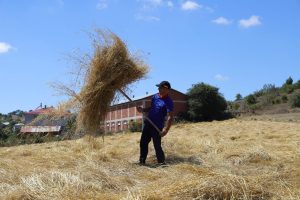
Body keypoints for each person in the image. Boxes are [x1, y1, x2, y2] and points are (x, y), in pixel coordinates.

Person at [137, 81, 174, 165]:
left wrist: (166, 130)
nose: (160, 90)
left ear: (167, 90)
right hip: (148, 123)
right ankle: (142, 161)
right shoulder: (155, 97)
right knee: (143, 142)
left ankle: (161, 163)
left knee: (157, 145)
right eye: (159, 88)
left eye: (162, 88)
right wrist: (143, 110)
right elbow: (151, 108)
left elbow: (170, 117)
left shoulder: (169, 102)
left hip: (157, 126)